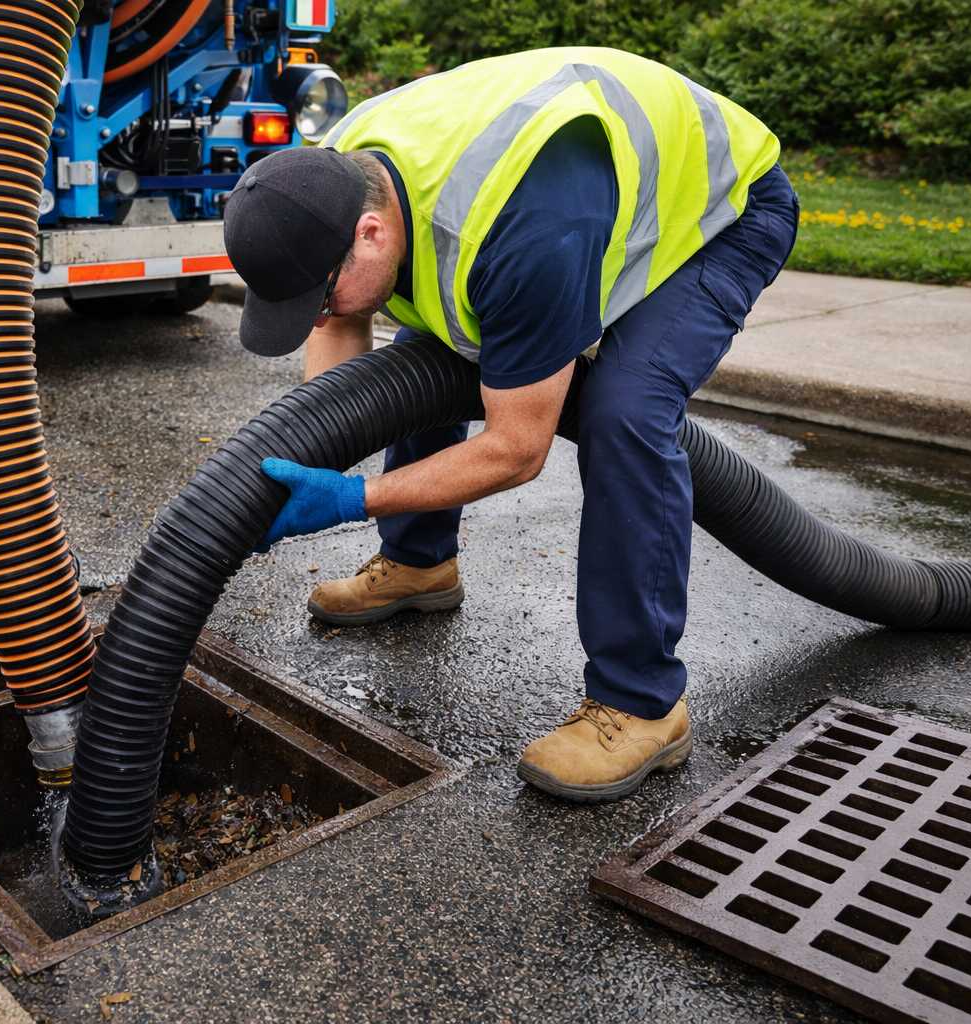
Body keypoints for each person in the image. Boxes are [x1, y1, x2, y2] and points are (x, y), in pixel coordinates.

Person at [222, 47, 800, 803]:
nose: (320, 316)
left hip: (723, 209)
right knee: (430, 348)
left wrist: (350, 498)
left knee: (627, 412)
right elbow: (342, 346)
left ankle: (643, 703)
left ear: (368, 234)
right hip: (558, 196)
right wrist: (316, 452)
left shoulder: (517, 233)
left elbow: (517, 448)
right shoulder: (335, 180)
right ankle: (420, 561)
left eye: (319, 296)